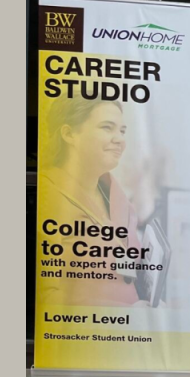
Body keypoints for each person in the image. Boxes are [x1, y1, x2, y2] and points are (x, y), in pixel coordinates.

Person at [36, 98, 146, 307]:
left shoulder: (116, 196)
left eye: (122, 131)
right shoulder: (49, 195)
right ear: (69, 134)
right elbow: (46, 297)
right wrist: (127, 314)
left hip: (132, 333)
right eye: (107, 127)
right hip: (84, 336)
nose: (119, 139)